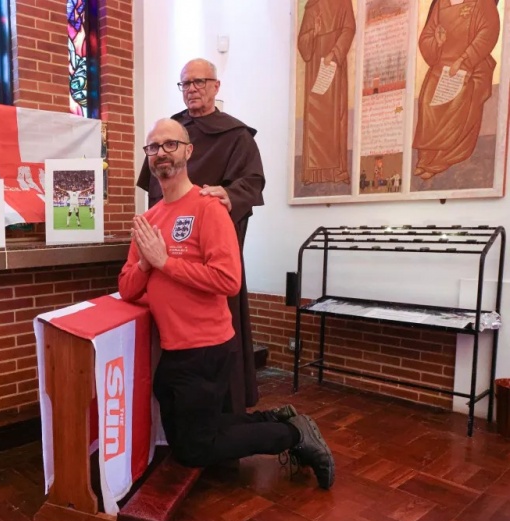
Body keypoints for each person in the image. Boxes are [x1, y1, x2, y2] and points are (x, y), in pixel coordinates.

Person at [120, 118, 335, 489]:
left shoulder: (208, 208)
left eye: (170, 144)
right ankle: (278, 419)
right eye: (153, 147)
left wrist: (165, 262)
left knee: (195, 448)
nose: (160, 153)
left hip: (206, 349)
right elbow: (127, 288)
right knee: (189, 433)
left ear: (188, 151)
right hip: (173, 350)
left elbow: (227, 279)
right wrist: (145, 262)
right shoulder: (149, 221)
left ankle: (294, 436)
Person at [137, 58, 265, 414]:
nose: (192, 89)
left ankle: (227, 410)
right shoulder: (169, 134)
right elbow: (155, 190)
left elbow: (252, 183)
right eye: (185, 83)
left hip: (206, 250)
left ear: (215, 86)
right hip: (167, 249)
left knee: (219, 324)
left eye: (199, 82)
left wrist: (230, 194)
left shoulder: (236, 135)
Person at [413, 0, 500, 180]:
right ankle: (426, 157)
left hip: (471, 66)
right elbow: (426, 36)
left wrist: (464, 59)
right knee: (427, 100)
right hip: (442, 65)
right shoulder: (441, 3)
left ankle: (442, 159)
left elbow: (489, 32)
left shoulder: (482, 3)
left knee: (459, 100)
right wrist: (437, 42)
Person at [297, 0, 355, 185]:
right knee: (315, 120)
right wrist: (313, 32)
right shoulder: (312, 6)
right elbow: (302, 42)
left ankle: (337, 171)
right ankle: (313, 174)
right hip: (315, 66)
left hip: (333, 65)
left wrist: (335, 52)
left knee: (335, 116)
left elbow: (349, 29)